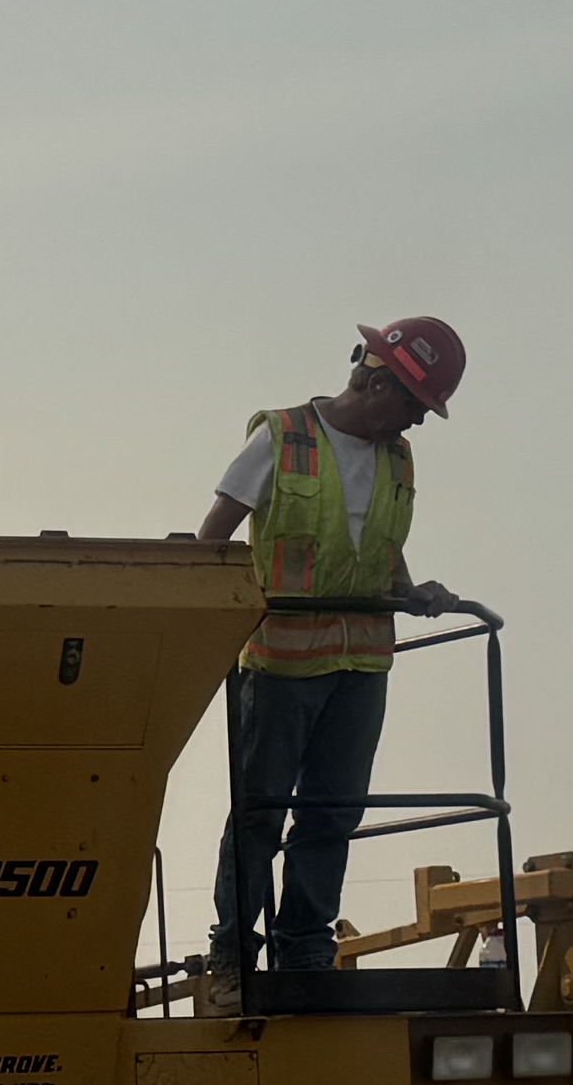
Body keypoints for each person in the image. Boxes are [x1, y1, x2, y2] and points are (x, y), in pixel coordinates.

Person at [190, 316, 468, 984]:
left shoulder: (395, 457)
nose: (417, 426)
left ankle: (307, 946)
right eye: (415, 407)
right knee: (260, 809)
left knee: (333, 812)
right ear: (377, 384)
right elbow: (213, 539)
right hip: (281, 664)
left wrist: (410, 590)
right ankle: (234, 948)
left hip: (362, 666)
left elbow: (377, 539)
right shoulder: (282, 439)